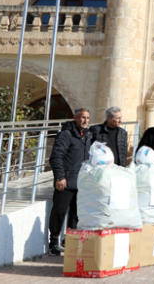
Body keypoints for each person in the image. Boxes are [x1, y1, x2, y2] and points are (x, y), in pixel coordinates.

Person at [48, 108, 91, 256]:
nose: (85, 120)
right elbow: (56, 157)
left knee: (76, 214)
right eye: (82, 118)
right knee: (59, 211)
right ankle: (53, 242)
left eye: (87, 118)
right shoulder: (65, 135)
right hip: (65, 182)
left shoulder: (87, 136)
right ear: (75, 118)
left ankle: (70, 241)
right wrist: (60, 177)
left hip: (81, 182)